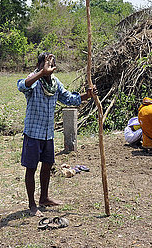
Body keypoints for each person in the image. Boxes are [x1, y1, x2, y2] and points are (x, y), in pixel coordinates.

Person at [17, 52, 95, 216]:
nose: (49, 67)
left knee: (47, 166)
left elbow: (70, 99)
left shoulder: (54, 83)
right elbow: (21, 86)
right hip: (33, 132)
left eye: (51, 64)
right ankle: (32, 204)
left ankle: (44, 198)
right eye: (46, 64)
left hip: (47, 134)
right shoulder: (34, 80)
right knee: (31, 168)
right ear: (39, 66)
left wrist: (87, 95)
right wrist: (41, 73)